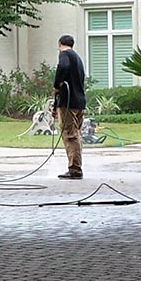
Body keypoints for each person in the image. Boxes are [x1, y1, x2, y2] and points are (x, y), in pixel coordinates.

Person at [53, 34, 87, 179]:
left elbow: (63, 67)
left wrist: (56, 85)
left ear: (59, 43)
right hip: (79, 101)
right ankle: (76, 165)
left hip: (69, 102)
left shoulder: (64, 55)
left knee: (70, 135)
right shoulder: (78, 59)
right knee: (77, 134)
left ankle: (75, 169)